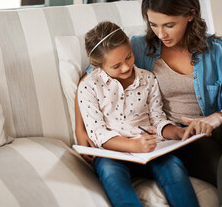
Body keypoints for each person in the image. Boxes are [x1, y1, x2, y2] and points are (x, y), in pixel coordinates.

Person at [76, 0, 222, 207]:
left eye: (168, 25)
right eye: (153, 24)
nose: (160, 34)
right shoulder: (139, 47)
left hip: (218, 128)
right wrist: (80, 129)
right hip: (183, 139)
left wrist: (216, 118)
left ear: (190, 14)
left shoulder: (219, 51)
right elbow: (91, 76)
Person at [77, 21, 200, 207]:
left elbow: (158, 119)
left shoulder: (148, 79)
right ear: (98, 66)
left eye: (128, 57)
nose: (126, 67)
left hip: (151, 149)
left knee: (173, 167)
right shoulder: (89, 87)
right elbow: (98, 133)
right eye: (116, 65)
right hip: (111, 153)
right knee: (111, 174)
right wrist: (134, 145)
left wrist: (177, 132)